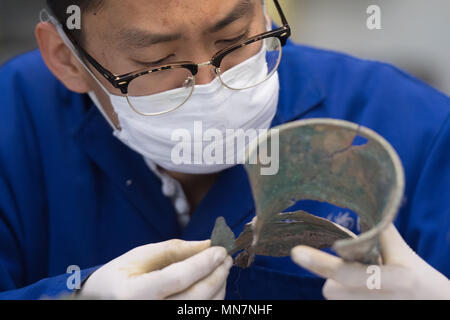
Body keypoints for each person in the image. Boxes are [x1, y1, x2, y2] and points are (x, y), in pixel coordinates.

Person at [0, 0, 448, 300]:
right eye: (157, 62)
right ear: (65, 58)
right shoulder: (15, 123)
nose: (211, 89)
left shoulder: (415, 127)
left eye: (234, 39)